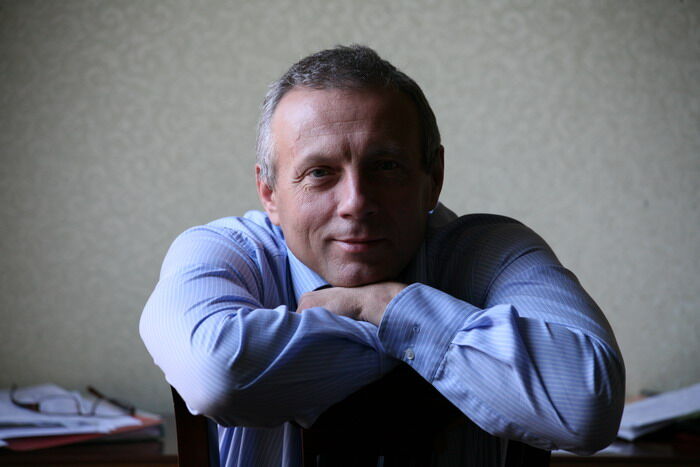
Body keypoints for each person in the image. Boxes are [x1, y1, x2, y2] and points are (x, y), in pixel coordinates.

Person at [140, 45, 625, 466]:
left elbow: (587, 406)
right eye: (319, 172)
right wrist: (436, 339)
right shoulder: (226, 253)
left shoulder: (492, 252)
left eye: (386, 166)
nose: (356, 203)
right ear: (269, 193)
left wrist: (383, 305)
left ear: (433, 178)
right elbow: (217, 377)